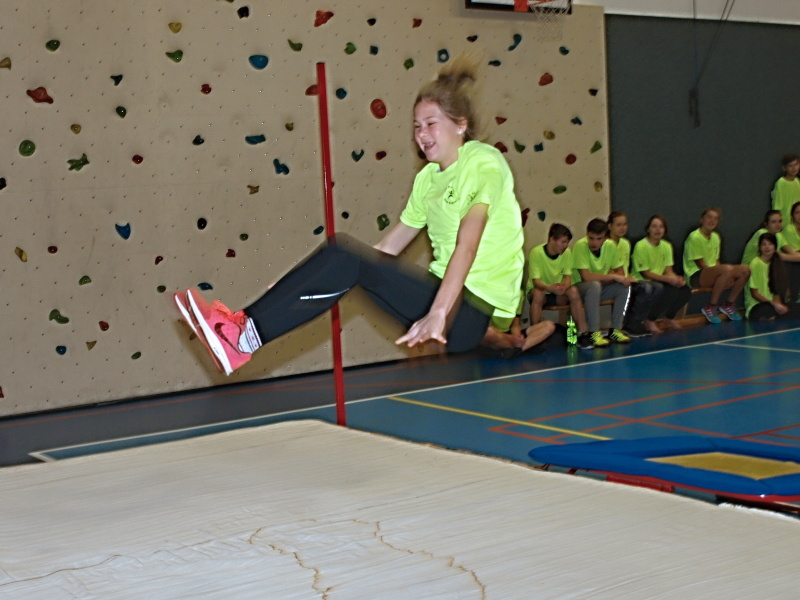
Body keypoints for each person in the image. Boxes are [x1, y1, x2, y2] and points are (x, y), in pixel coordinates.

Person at [173, 55, 554, 375]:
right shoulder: (427, 180)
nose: (422, 134)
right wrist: (299, 283)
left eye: (431, 124)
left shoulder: (482, 162)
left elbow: (467, 245)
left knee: (345, 255)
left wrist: (439, 313)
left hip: (466, 309)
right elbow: (385, 250)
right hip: (437, 299)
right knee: (341, 256)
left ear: (460, 125)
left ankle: (242, 339)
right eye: (416, 127)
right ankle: (243, 335)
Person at [526, 223, 589, 348]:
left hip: (558, 293)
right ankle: (535, 335)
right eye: (563, 242)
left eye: (567, 242)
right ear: (552, 239)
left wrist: (563, 287)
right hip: (540, 292)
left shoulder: (567, 253)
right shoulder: (536, 252)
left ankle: (582, 333)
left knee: (573, 291)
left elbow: (568, 278)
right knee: (538, 294)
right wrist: (549, 288)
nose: (566, 246)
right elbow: (536, 282)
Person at [682, 208, 750, 324]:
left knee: (745, 270)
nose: (712, 220)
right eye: (709, 217)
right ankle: (711, 306)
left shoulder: (716, 237)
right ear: (702, 219)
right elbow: (701, 264)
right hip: (695, 275)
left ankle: (728, 304)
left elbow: (716, 261)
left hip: (713, 272)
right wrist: (723, 274)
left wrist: (726, 276)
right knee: (727, 269)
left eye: (716, 218)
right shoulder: (694, 237)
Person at [572, 218, 632, 347]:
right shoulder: (580, 246)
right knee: (594, 285)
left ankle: (616, 330)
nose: (594, 242)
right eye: (591, 238)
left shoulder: (611, 246)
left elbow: (620, 273)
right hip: (580, 289)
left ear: (605, 238)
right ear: (587, 234)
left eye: (599, 239)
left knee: (623, 286)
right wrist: (612, 277)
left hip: (601, 286)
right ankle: (593, 333)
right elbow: (586, 277)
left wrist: (614, 278)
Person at [631, 215, 691, 331]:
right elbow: (646, 273)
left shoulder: (667, 246)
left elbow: (668, 270)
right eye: (654, 226)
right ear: (648, 229)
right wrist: (668, 279)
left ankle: (669, 317)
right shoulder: (641, 246)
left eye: (661, 226)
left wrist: (677, 279)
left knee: (685, 290)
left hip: (661, 279)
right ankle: (650, 320)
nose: (657, 229)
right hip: (643, 281)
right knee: (668, 291)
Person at [607, 211, 657, 336]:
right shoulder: (605, 244)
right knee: (645, 288)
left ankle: (635, 322)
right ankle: (629, 324)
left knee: (654, 287)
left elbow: (624, 267)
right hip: (611, 281)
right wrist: (623, 278)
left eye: (625, 224)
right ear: (610, 226)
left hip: (625, 278)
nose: (622, 228)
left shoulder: (625, 244)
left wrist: (629, 277)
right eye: (618, 225)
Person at [744, 232, 797, 321]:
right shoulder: (755, 263)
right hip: (757, 305)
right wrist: (774, 304)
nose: (767, 247)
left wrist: (779, 305)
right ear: (759, 247)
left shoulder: (777, 263)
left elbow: (777, 291)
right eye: (764, 244)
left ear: (775, 247)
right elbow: (755, 294)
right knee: (769, 313)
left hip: (773, 304)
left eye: (770, 244)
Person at [771, 153, 800, 228]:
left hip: (796, 224)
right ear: (784, 168)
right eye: (790, 166)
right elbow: (777, 207)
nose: (794, 168)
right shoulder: (780, 183)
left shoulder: (797, 181)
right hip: (785, 224)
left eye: (796, 164)